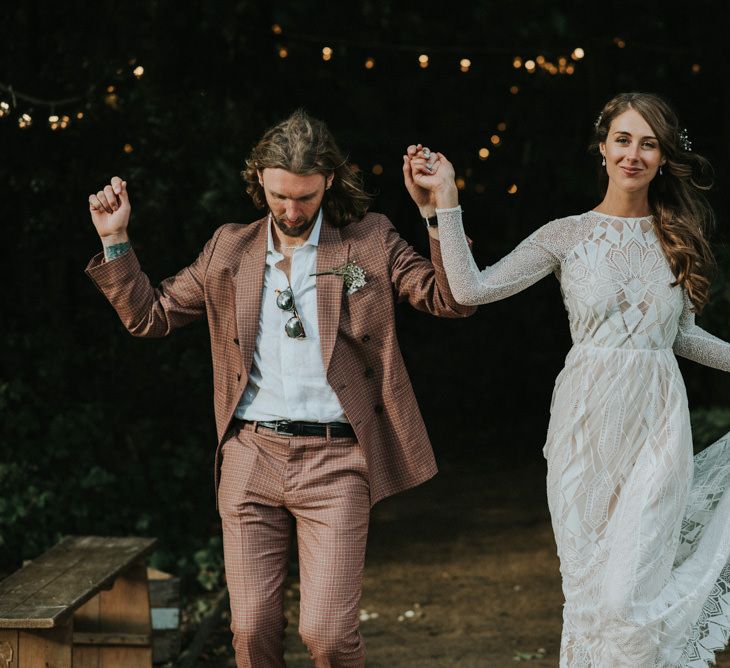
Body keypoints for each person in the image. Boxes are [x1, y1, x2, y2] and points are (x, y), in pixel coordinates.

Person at [85, 109, 474, 667]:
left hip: (338, 460)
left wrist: (440, 210)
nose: (291, 212)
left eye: (305, 198)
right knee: (252, 631)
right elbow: (151, 316)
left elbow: (451, 299)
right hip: (250, 457)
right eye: (278, 197)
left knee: (330, 636)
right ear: (259, 182)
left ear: (329, 183)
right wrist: (116, 240)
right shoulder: (229, 250)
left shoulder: (368, 241)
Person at [405, 92, 730, 666]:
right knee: (588, 596)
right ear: (602, 148)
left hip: (658, 426)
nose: (634, 154)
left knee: (630, 595)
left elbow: (680, 337)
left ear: (662, 158)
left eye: (648, 144)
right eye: (623, 140)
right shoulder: (567, 235)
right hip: (585, 425)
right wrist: (445, 204)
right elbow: (471, 289)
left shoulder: (677, 238)